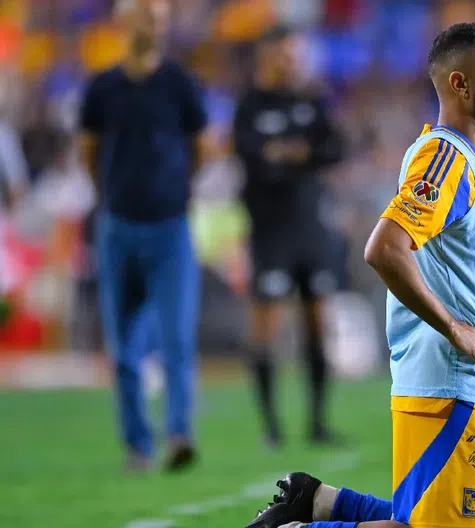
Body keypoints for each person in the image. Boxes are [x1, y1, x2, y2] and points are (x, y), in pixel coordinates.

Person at [246, 21, 475, 528]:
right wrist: (454, 328)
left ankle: (318, 502)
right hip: (456, 391)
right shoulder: (445, 158)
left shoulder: (471, 164)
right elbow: (385, 248)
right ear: (460, 84)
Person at [78, 0, 211, 472]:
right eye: (147, 17)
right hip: (118, 228)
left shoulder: (179, 84)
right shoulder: (102, 88)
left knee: (177, 339)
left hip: (170, 226)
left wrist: (175, 191)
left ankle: (178, 434)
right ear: (124, 22)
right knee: (124, 348)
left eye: (160, 19)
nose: (156, 26)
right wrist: (111, 196)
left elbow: (201, 147)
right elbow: (89, 150)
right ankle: (138, 444)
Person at [232, 25, 346, 446]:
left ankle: (318, 422)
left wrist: (288, 154)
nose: (291, 63)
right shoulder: (250, 105)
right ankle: (271, 426)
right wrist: (298, 155)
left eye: (294, 55)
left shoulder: (311, 101)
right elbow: (252, 158)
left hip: (309, 228)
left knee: (317, 321)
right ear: (267, 56)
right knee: (267, 325)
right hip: (270, 231)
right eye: (283, 54)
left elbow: (335, 149)